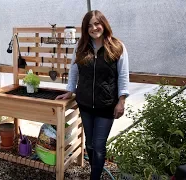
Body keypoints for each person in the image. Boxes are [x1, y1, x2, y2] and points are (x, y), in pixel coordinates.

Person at [55, 10, 129, 180]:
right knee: (89, 143)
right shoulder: (81, 46)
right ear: (85, 28)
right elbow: (74, 70)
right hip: (85, 103)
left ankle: (94, 177)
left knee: (99, 144)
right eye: (89, 25)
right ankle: (94, 169)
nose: (94, 28)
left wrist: (122, 100)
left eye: (97, 23)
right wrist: (70, 90)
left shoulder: (117, 47)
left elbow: (123, 75)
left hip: (106, 105)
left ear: (104, 24)